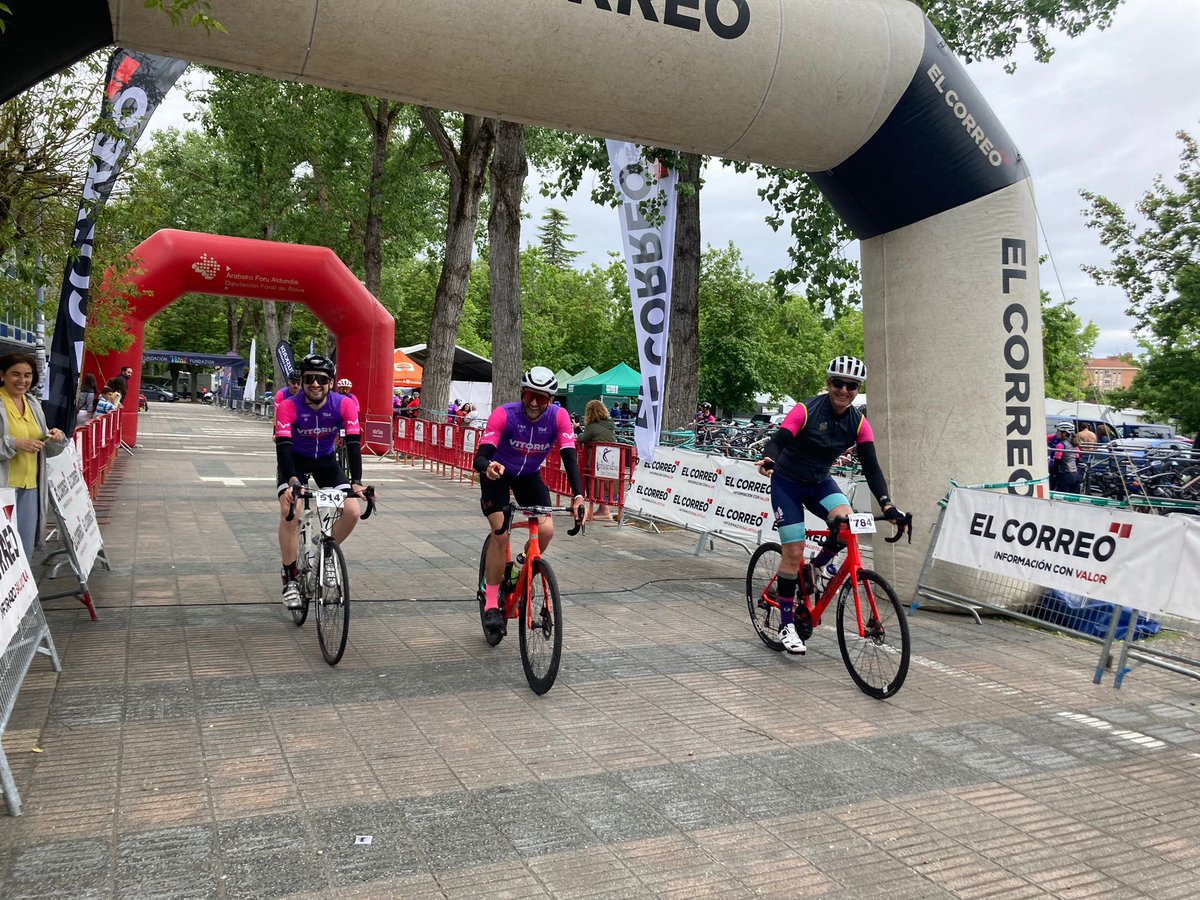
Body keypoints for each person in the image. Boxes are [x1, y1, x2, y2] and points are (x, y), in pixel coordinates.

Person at [756, 356, 905, 656]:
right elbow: (779, 440)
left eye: (852, 386)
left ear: (857, 389)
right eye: (838, 383)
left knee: (847, 524)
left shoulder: (859, 423)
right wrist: (769, 458)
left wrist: (888, 505)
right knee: (793, 551)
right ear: (829, 383)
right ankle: (787, 625)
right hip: (787, 483)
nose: (844, 390)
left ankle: (817, 566)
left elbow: (871, 467)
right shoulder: (806, 410)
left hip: (819, 483)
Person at [473, 366, 586, 642]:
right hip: (497, 472)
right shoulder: (505, 414)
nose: (534, 403)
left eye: (541, 398)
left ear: (551, 400)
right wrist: (488, 467)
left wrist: (578, 496)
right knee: (501, 533)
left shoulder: (559, 417)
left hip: (528, 476)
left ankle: (518, 568)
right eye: (529, 395)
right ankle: (491, 602)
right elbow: (480, 457)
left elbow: (569, 457)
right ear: (522, 393)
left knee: (546, 531)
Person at [274, 354, 370, 610]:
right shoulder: (288, 405)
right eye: (309, 379)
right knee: (290, 511)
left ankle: (326, 550)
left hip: (326, 462)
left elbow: (353, 443)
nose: (315, 384)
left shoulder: (344, 404)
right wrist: (292, 481)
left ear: (331, 382)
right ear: (302, 381)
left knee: (352, 511)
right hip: (295, 462)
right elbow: (283, 447)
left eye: (321, 379)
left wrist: (357, 481)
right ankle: (290, 578)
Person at [0, 353, 68, 559]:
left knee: (23, 549)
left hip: (31, 487)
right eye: (15, 374)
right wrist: (14, 443)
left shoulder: (33, 404)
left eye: (27, 375)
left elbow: (45, 446)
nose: (22, 380)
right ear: (2, 375)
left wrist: (55, 438)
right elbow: (14, 443)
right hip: (4, 488)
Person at [578, 398, 618, 521]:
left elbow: (582, 439)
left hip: (596, 460)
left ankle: (605, 511)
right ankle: (603, 509)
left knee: (596, 482)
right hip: (611, 459)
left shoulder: (592, 426)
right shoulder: (610, 425)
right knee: (604, 482)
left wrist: (577, 429)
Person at [1047, 422, 1075, 492]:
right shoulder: (1074, 443)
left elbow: (1057, 461)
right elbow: (1077, 458)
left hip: (1064, 475)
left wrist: (1054, 474)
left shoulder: (1060, 445)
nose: (1056, 433)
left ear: (1064, 433)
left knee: (1056, 495)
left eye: (1058, 431)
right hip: (1074, 474)